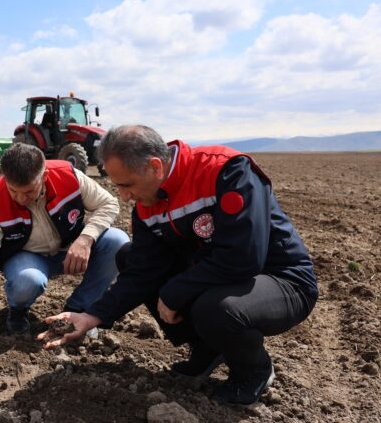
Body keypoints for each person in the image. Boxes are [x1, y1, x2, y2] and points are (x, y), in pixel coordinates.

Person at [38, 125, 318, 406]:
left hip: (281, 280)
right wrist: (90, 317)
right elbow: (142, 271)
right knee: (129, 255)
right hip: (221, 276)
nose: (124, 197)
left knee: (214, 309)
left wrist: (175, 291)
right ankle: (206, 350)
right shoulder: (149, 203)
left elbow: (243, 257)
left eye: (127, 185)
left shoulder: (226, 171)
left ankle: (254, 370)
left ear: (155, 166)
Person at [0, 143, 130, 359]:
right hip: (29, 258)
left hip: (71, 247)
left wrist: (86, 239)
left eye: (29, 191)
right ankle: (17, 313)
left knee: (118, 241)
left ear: (45, 176)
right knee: (27, 281)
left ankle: (78, 312)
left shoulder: (68, 176)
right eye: (13, 191)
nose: (21, 199)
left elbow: (108, 204)